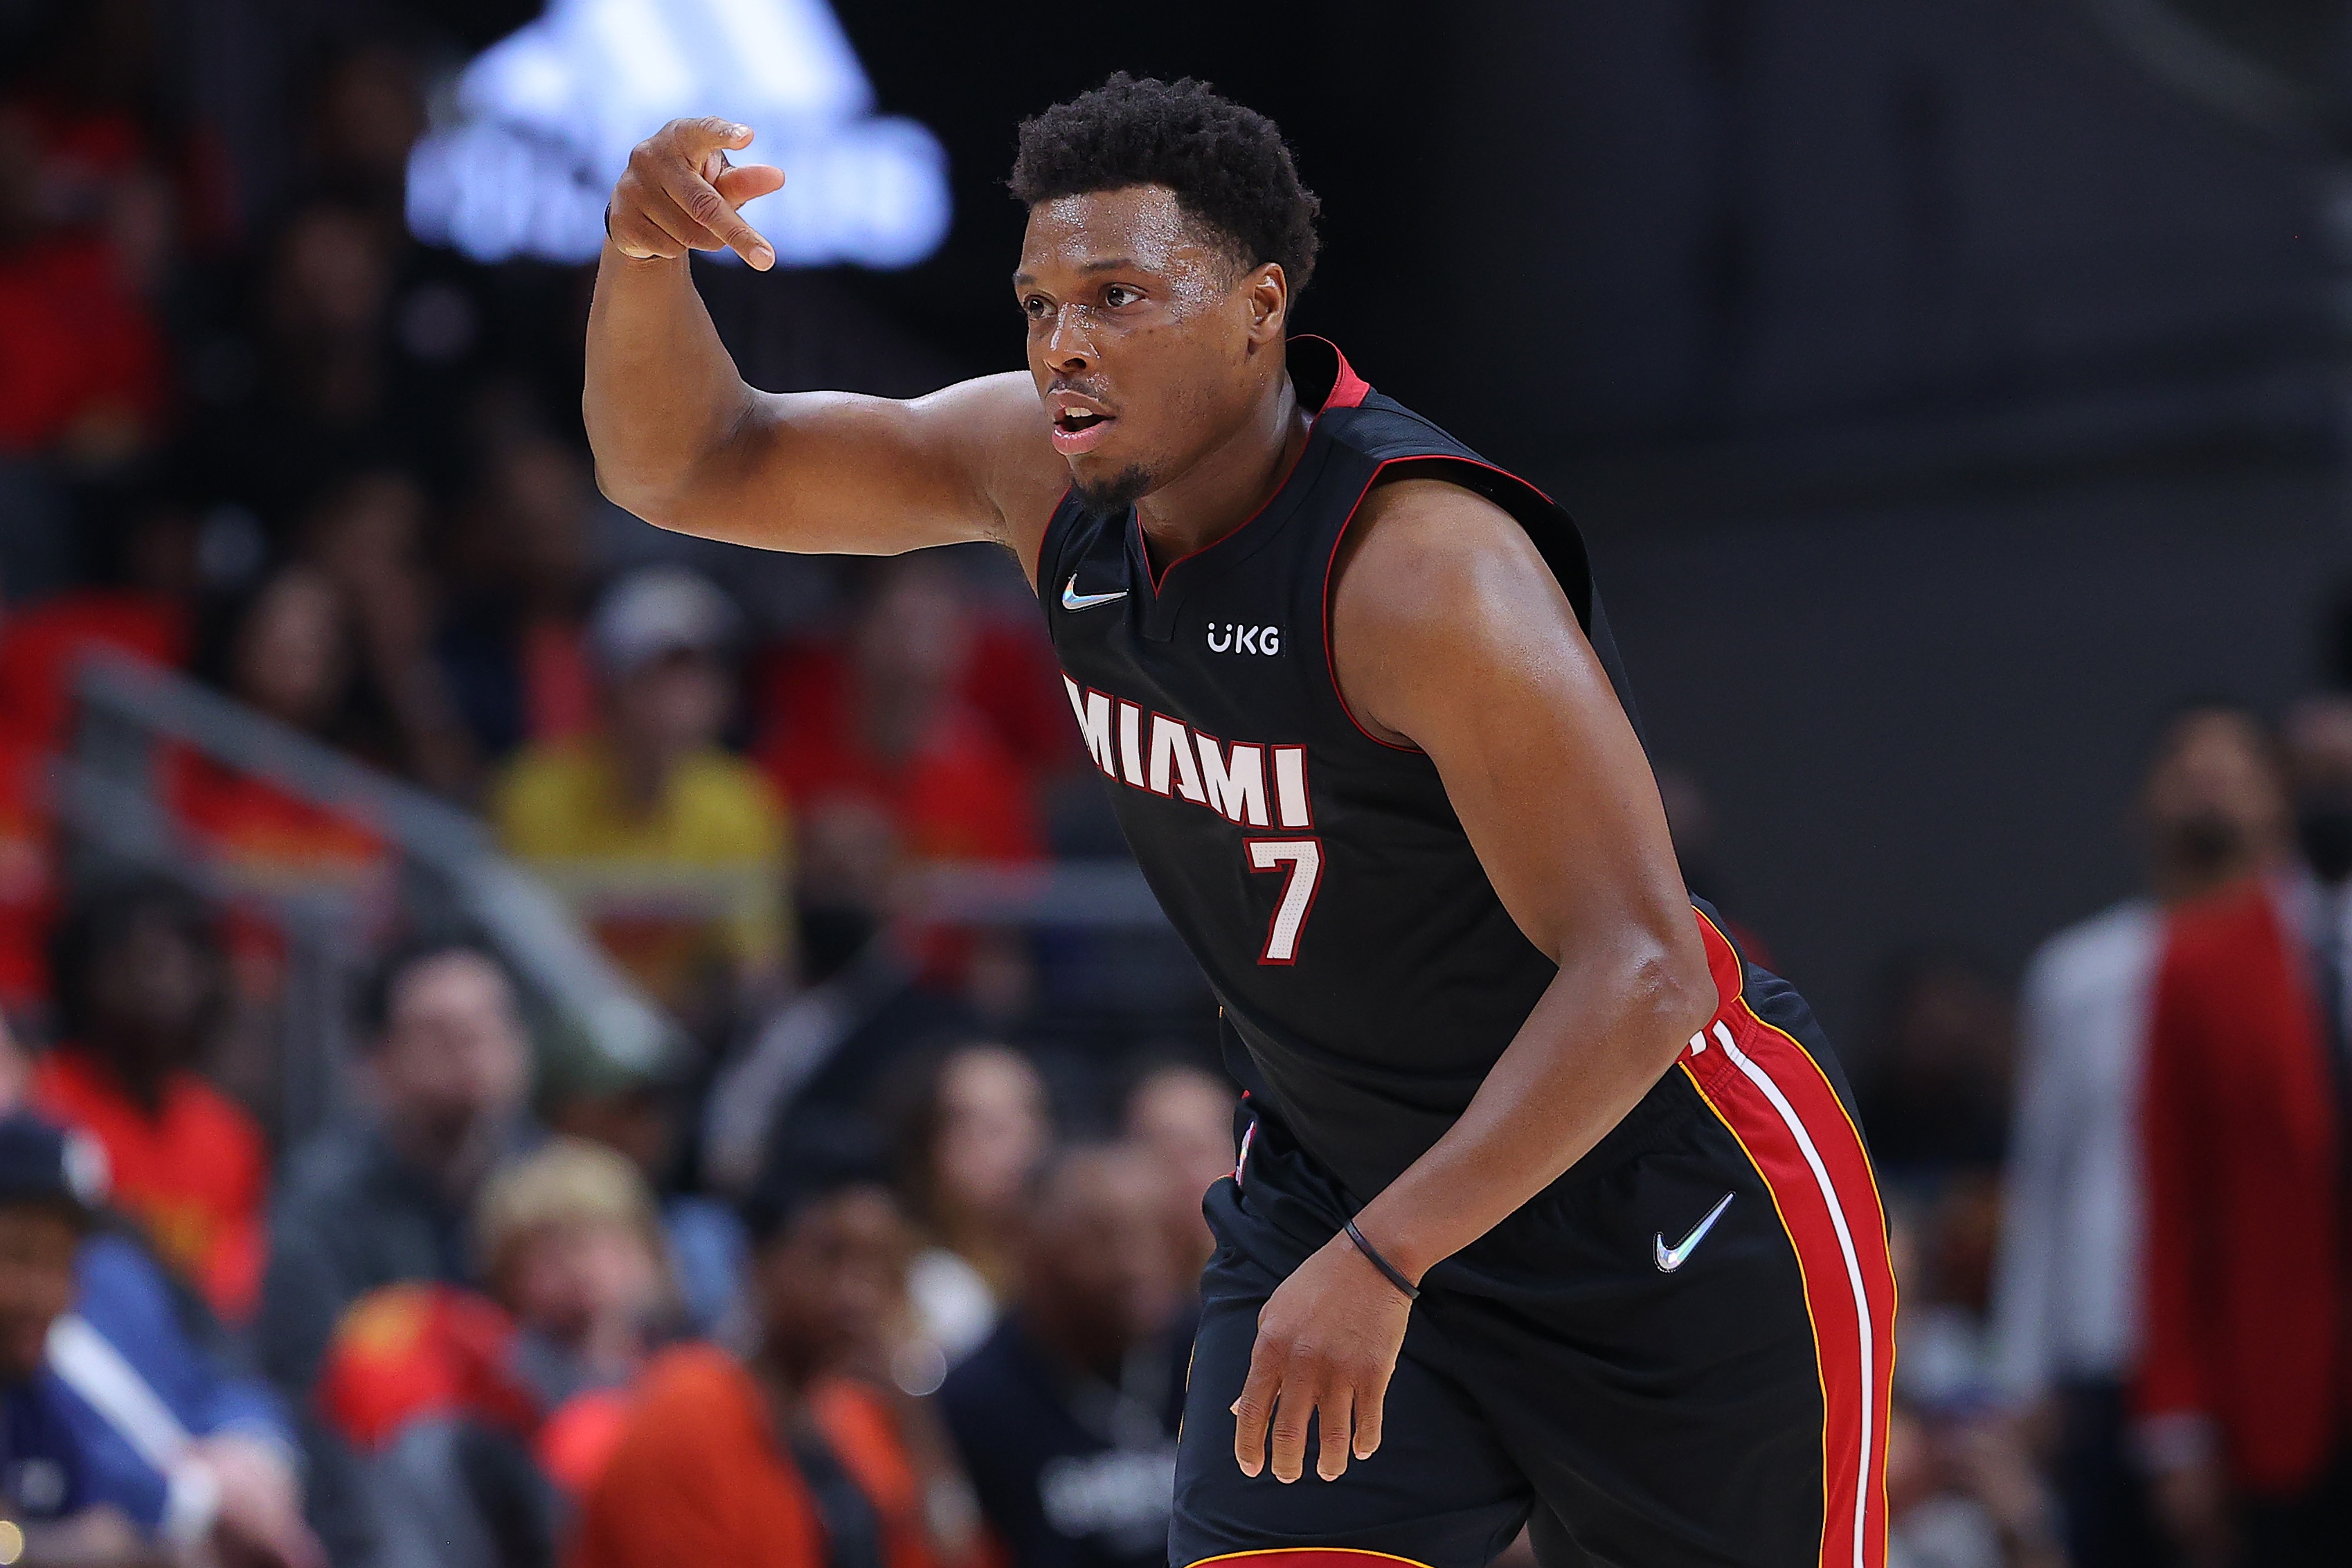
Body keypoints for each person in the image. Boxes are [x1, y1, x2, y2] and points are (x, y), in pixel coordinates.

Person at [587, 73, 1892, 1567]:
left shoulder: (1424, 574)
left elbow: (1645, 970)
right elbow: (687, 463)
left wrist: (1389, 1256)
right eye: (1038, 306)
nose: (1064, 345)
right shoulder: (1039, 475)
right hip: (1342, 1184)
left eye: (1118, 296)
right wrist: (642, 253)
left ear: (1260, 309)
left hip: (1653, 1197)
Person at [1988, 703, 2283, 1568]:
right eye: (2184, 769)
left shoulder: (2316, 962)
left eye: (2232, 770)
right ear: (2140, 803)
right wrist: (2021, 1371)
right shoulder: (2080, 974)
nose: (2207, 786)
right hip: (2107, 1337)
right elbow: (2044, 1173)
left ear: (2276, 801)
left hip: (2267, 1341)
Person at [2137, 692, 2352, 1567]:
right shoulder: (2201, 958)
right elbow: (2173, 1203)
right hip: (2278, 1394)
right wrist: (2176, 1420)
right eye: (2316, 776)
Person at [566, 1144, 982, 1568]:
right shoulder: (688, 1408)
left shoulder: (861, 1420)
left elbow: (951, 1554)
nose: (859, 1293)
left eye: (880, 1266)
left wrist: (917, 1424)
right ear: (757, 1262)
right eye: (831, 1257)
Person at [258, 936, 535, 1562]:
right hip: (385, 1499)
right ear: (375, 1061)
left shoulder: (559, 1184)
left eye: (487, 1024)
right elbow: (306, 1392)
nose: (468, 1047)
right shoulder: (322, 1204)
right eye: (437, 1031)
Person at [491, 565, 791, 1032]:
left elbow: (759, 969)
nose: (682, 699)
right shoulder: (534, 794)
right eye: (659, 675)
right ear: (608, 686)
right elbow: (517, 958)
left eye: (699, 675)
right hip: (559, 1032)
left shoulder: (741, 801)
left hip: (689, 1037)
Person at [938, 1144, 1189, 1568]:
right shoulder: (975, 1401)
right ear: (1027, 1242)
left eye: (1157, 1233)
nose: (1138, 1264)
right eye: (1103, 1237)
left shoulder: (1211, 1355)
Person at [33, 877, 269, 1324]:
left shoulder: (229, 1134)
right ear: (84, 974)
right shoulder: (39, 1107)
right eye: (138, 959)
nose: (162, 981)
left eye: (181, 959)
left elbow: (234, 1290)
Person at [0, 1110, 165, 1565]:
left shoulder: (37, 1408)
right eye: (19, 1256)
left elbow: (123, 1530)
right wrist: (42, 1548)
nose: (43, 1292)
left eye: (62, 1264)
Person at [888, 1044, 1052, 1364]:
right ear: (930, 1145)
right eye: (989, 1128)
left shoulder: (1069, 1271)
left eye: (1029, 1118)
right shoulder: (906, 1279)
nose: (1020, 1146)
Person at [1122, 1062, 1238, 1289]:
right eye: (1172, 1154)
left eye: (1203, 1150)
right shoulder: (1116, 1287)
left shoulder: (1270, 1272)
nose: (1193, 1173)